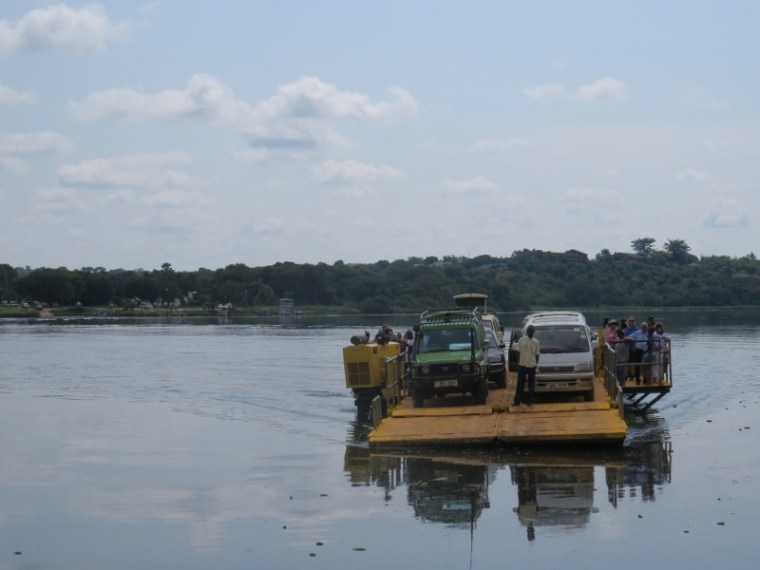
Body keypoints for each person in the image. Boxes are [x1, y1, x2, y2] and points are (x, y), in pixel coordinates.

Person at [514, 325, 540, 407]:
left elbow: (537, 354)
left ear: (534, 332)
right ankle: (517, 401)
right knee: (520, 384)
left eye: (532, 332)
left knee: (531, 385)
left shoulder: (536, 342)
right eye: (529, 331)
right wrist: (519, 361)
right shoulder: (521, 340)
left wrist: (536, 364)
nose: (531, 333)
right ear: (527, 331)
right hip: (522, 365)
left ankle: (530, 401)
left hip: (531, 365)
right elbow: (518, 352)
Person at [622, 316, 638, 380]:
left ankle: (632, 376)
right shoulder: (624, 330)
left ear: (635, 322)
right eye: (630, 320)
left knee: (632, 363)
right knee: (625, 362)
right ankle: (625, 376)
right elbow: (622, 338)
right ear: (627, 322)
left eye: (632, 321)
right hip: (625, 349)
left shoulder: (637, 330)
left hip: (633, 349)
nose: (631, 322)